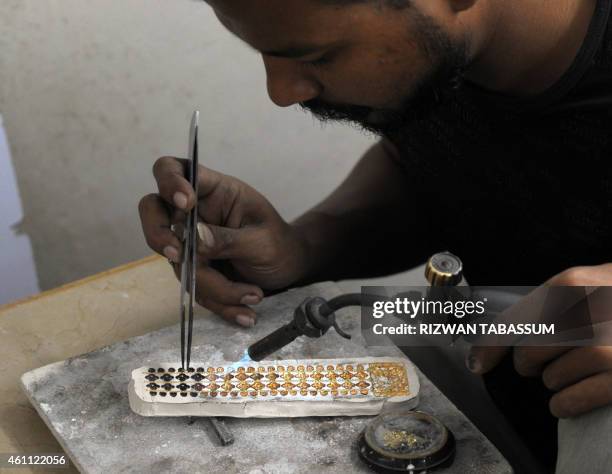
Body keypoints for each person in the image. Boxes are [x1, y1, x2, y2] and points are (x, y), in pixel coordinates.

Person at [138, 1, 612, 472]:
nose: (281, 91)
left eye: (317, 56)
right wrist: (303, 247)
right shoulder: (451, 61)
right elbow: (436, 162)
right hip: (505, 390)